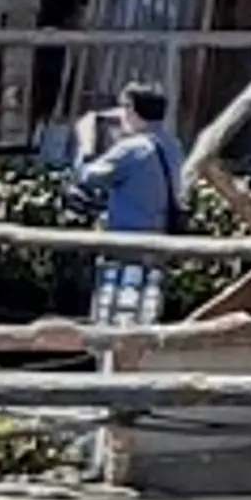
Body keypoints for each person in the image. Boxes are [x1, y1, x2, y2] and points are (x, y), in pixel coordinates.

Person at [83, 81, 188, 329]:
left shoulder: (131, 148)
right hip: (159, 240)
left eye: (124, 107)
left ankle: (112, 359)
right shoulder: (172, 145)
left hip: (125, 240)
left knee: (115, 311)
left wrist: (87, 145)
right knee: (146, 308)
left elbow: (89, 176)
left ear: (132, 109)